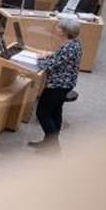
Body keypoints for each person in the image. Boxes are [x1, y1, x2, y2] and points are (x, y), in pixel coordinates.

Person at [30, 17, 82, 147]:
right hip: (66, 84)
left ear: (65, 31)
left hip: (58, 85)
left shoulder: (68, 48)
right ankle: (49, 143)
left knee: (42, 113)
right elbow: (60, 59)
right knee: (55, 112)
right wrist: (50, 54)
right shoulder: (75, 43)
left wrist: (40, 58)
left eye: (59, 26)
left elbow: (47, 65)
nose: (56, 28)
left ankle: (53, 147)